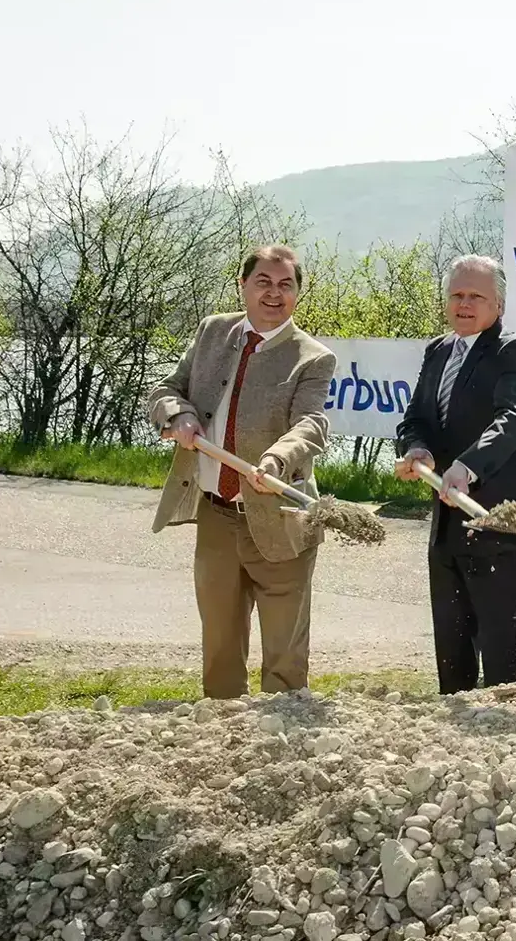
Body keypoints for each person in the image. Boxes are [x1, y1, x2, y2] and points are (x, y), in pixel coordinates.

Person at [147, 244, 336, 699]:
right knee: (220, 648)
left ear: (297, 293)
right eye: (263, 283)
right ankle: (223, 739)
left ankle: (282, 745)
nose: (274, 293)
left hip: (281, 518)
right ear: (243, 285)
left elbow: (310, 424)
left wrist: (277, 459)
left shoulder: (313, 357)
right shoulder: (213, 331)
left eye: (285, 285)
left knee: (285, 658)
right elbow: (167, 390)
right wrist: (180, 416)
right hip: (216, 516)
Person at [394, 255, 516, 694]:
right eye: (457, 295)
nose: (464, 304)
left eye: (476, 296)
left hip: (498, 518)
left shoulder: (512, 350)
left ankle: (504, 749)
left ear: (498, 303)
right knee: (451, 653)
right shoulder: (438, 350)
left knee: (499, 659)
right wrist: (416, 447)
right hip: (446, 524)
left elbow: (514, 417)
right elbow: (415, 417)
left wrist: (468, 466)